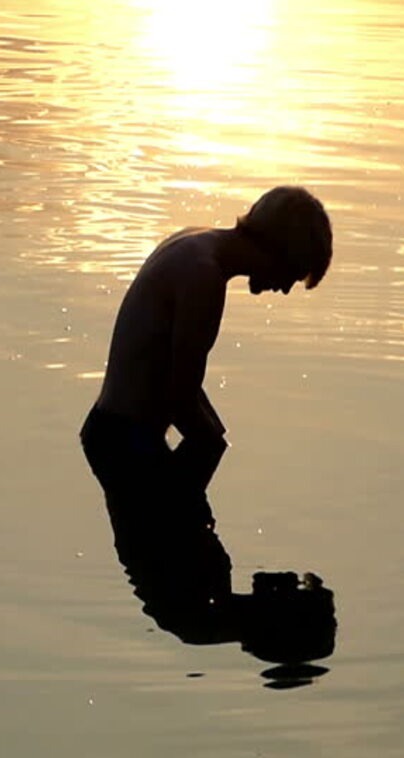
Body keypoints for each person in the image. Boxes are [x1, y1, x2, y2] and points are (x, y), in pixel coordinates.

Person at [80, 186, 333, 601]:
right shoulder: (203, 277)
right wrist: (210, 448)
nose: (286, 288)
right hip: (128, 448)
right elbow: (180, 398)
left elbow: (179, 381)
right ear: (280, 251)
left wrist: (215, 433)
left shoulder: (196, 243)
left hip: (117, 436)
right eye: (294, 272)